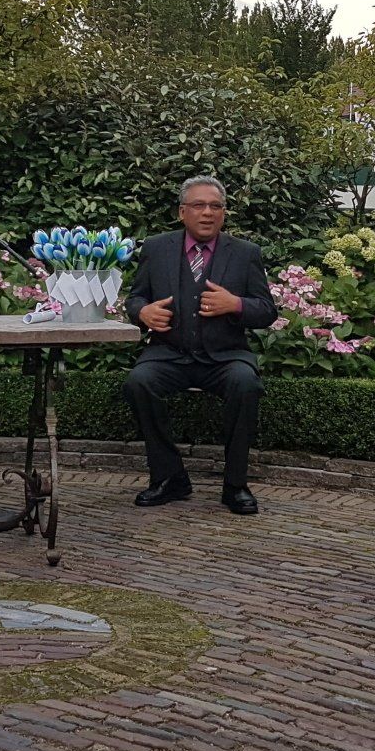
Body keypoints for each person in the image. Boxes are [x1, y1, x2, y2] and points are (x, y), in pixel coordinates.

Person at [122, 175, 278, 515]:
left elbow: (267, 311)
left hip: (225, 357)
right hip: (169, 354)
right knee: (139, 383)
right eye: (198, 205)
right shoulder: (156, 248)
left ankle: (235, 485)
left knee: (246, 384)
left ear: (223, 213)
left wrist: (235, 304)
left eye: (215, 206)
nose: (207, 212)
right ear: (182, 212)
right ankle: (170, 477)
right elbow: (135, 298)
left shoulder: (245, 253)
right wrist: (143, 312)